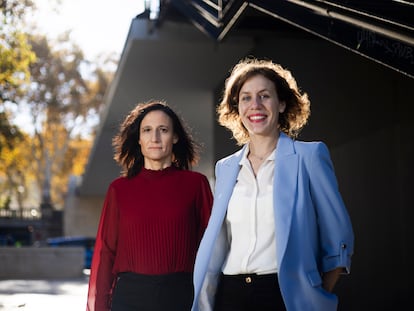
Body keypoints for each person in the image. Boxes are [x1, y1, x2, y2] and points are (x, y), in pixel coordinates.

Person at [192, 57, 354, 311]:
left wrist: (316, 294)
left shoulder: (309, 157)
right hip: (229, 294)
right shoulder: (225, 168)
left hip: (282, 294)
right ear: (237, 108)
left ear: (281, 104)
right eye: (246, 98)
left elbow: (339, 237)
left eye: (264, 96)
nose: (255, 105)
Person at [86, 100, 213, 311]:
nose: (154, 138)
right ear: (139, 138)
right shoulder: (119, 189)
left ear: (175, 137)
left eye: (163, 130)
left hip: (181, 296)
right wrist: (100, 307)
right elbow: (106, 253)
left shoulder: (196, 185)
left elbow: (212, 249)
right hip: (129, 298)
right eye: (147, 130)